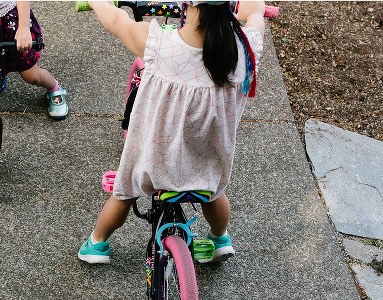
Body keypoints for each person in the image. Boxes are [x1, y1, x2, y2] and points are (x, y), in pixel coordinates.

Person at [77, 0, 265, 265]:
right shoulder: (245, 49)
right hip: (206, 166)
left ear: (186, 5)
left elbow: (117, 22)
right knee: (214, 194)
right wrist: (255, 11)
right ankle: (220, 239)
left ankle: (97, 244)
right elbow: (256, 18)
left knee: (125, 191)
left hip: (155, 167)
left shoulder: (159, 45)